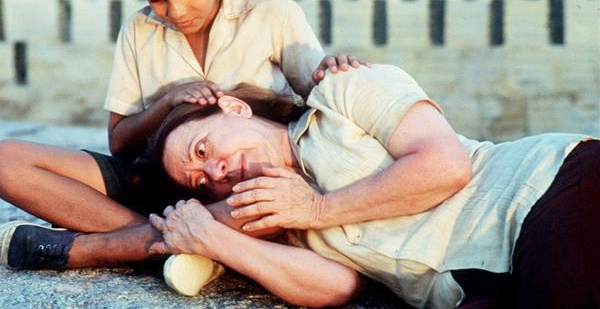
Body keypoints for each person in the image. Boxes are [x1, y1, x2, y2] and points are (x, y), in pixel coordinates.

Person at [0, 0, 360, 273]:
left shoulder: (271, 14)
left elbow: (318, 105)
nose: (176, 10)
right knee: (6, 160)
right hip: (157, 184)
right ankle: (166, 244)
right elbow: (120, 142)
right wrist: (167, 103)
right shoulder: (139, 29)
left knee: (268, 201)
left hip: (238, 194)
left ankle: (114, 246)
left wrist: (337, 71)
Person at [146, 64, 599, 309]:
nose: (217, 172)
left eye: (203, 150)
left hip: (545, 190)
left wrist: (318, 209)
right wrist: (217, 241)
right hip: (483, 285)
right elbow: (339, 287)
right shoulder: (278, 216)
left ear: (234, 109)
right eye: (202, 183)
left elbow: (446, 165)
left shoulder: (341, 93)